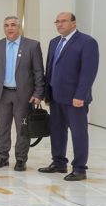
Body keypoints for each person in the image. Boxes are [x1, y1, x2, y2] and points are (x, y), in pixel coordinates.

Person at [39, 12, 99, 181]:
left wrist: (80, 95)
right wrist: (47, 94)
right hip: (56, 96)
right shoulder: (54, 42)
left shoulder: (87, 42)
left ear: (74, 23)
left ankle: (80, 168)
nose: (59, 24)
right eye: (57, 21)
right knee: (57, 131)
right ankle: (58, 162)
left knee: (79, 133)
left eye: (63, 21)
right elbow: (49, 69)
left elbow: (89, 72)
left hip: (75, 99)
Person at [0, 16, 44, 171]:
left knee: (22, 129)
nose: (9, 28)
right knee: (2, 128)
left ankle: (20, 159)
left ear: (19, 28)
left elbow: (39, 72)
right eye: (6, 25)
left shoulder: (32, 45)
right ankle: (3, 157)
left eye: (13, 25)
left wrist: (38, 93)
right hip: (2, 95)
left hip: (24, 96)